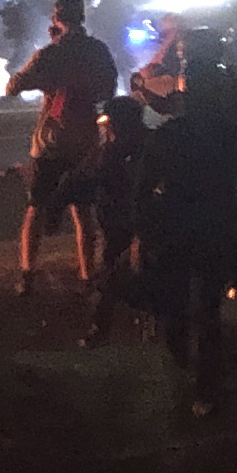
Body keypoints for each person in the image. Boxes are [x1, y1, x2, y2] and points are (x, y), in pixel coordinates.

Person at [134, 29, 237, 413]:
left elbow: (143, 189)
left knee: (184, 307)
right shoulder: (225, 134)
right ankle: (202, 385)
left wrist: (143, 233)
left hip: (182, 228)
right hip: (213, 226)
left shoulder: (173, 135)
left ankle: (190, 379)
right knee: (205, 310)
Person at [10, 0, 118, 295]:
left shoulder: (51, 53)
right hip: (84, 139)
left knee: (36, 207)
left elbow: (13, 86)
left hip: (51, 141)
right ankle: (87, 275)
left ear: (56, 18)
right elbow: (108, 90)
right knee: (83, 211)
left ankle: (28, 274)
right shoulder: (98, 51)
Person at [75, 94, 152, 349]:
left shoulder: (146, 149)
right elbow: (79, 180)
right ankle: (117, 325)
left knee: (115, 278)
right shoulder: (109, 152)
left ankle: (104, 328)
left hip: (141, 224)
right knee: (114, 273)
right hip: (117, 225)